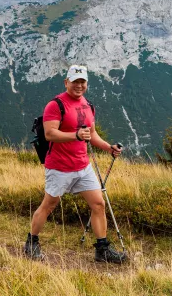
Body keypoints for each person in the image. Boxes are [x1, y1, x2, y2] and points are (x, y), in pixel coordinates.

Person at [24, 65, 127, 263]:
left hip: (83, 167)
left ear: (86, 83)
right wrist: (76, 135)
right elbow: (50, 133)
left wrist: (108, 147)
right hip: (59, 167)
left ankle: (102, 250)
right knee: (49, 205)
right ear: (66, 82)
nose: (79, 86)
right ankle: (31, 242)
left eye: (82, 82)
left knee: (98, 204)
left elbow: (92, 134)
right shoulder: (55, 105)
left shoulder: (88, 105)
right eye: (75, 81)